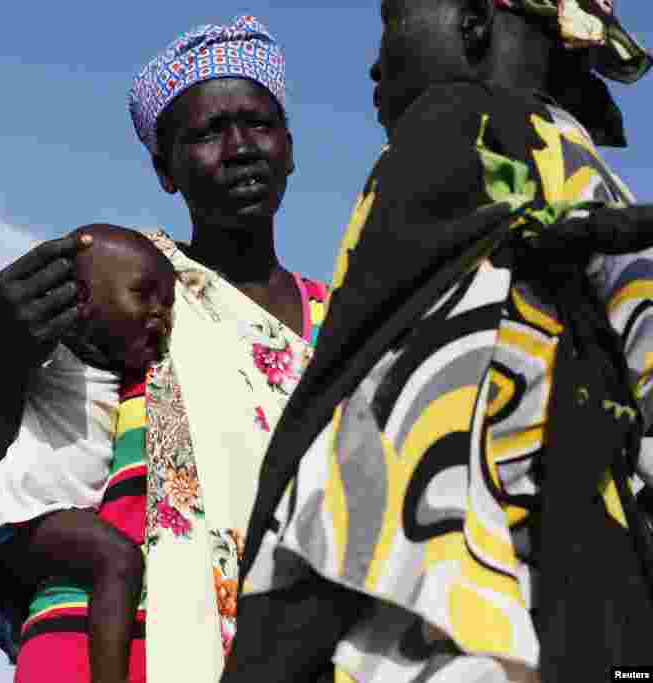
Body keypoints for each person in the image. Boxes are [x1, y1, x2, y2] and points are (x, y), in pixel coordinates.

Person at [228, 2, 653, 682]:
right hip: (591, 607)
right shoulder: (588, 169)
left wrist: (271, 649)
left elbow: (366, 422)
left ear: (474, 21)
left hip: (440, 621)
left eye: (392, 22)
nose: (375, 63)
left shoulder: (451, 131)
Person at [0, 15, 329, 683]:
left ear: (290, 148)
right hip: (106, 650)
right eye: (208, 132)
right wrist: (5, 358)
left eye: (259, 124)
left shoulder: (343, 321)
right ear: (164, 169)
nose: (239, 147)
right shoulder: (117, 287)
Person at [0, 225, 174, 683]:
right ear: (81, 301)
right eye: (143, 294)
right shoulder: (53, 354)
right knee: (118, 560)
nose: (160, 311)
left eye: (169, 302)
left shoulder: (118, 370)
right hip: (27, 514)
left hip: (53, 517)